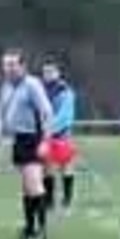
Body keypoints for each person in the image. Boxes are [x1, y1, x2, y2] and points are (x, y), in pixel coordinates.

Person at [0, 49, 54, 239]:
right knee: (27, 187)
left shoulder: (32, 85)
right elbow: (0, 117)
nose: (8, 68)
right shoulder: (6, 87)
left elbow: (47, 113)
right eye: (5, 64)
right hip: (18, 140)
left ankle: (42, 231)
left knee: (34, 185)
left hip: (32, 138)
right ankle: (29, 228)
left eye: (12, 64)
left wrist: (46, 141)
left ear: (22, 66)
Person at [41, 58, 77, 216]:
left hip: (62, 134)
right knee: (47, 168)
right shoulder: (40, 89)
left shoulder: (65, 90)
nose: (47, 75)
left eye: (50, 71)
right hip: (45, 135)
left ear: (58, 73)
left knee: (66, 166)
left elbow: (65, 116)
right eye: (45, 72)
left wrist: (50, 128)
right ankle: (49, 202)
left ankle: (67, 201)